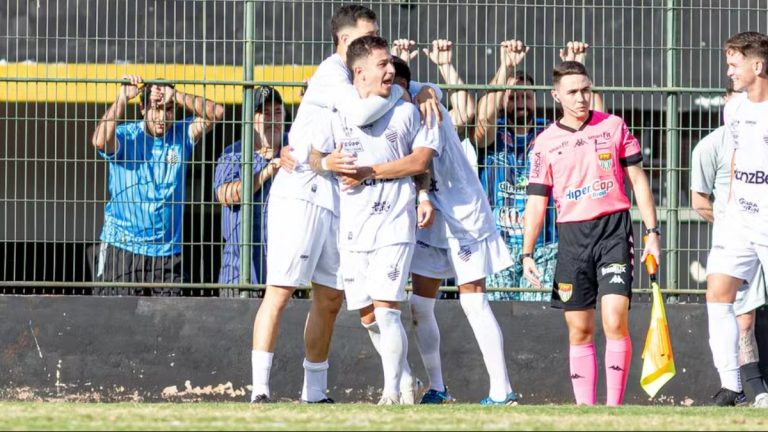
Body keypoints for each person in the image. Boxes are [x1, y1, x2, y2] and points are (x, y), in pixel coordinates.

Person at [249, 4, 441, 404]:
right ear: (345, 41)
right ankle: (260, 390)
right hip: (302, 192)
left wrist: (426, 88)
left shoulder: (372, 78)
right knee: (280, 290)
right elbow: (360, 109)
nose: (375, 45)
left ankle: (316, 392)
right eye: (366, 37)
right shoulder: (332, 75)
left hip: (343, 198)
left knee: (332, 299)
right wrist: (408, 91)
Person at [521, 61, 660, 406]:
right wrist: (527, 252)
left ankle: (613, 409)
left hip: (613, 230)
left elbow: (638, 180)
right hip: (571, 238)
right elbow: (536, 201)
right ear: (556, 96)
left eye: (585, 89)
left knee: (614, 318)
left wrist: (652, 232)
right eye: (572, 92)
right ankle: (586, 410)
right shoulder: (544, 143)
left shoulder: (613, 126)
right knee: (580, 329)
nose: (581, 98)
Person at [311, 35, 438, 405]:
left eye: (391, 64)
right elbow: (314, 157)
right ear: (359, 71)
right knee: (367, 314)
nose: (390, 70)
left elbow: (420, 162)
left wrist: (419, 193)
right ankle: (406, 379)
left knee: (387, 310)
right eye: (382, 64)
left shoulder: (407, 110)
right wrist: (327, 162)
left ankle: (390, 393)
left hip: (394, 221)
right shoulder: (336, 112)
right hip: (353, 225)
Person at [386, 56, 519, 405]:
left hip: (462, 214)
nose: (385, 92)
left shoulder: (424, 105)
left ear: (403, 85)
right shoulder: (396, 104)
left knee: (473, 301)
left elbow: (420, 161)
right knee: (419, 304)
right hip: (428, 216)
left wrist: (373, 172)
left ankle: (502, 390)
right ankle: (437, 388)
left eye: (391, 85)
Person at [474, 41, 599, 301]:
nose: (521, 103)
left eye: (527, 97)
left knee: (537, 315)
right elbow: (483, 117)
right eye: (513, 97)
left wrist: (579, 69)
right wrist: (505, 66)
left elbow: (593, 125)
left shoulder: (551, 132)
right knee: (497, 312)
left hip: (545, 245)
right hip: (499, 244)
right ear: (503, 101)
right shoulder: (494, 133)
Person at [91, 75, 224, 296]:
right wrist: (122, 98)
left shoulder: (181, 134)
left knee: (171, 318)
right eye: (156, 108)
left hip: (167, 253)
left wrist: (177, 95)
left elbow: (216, 113)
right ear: (143, 108)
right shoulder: (126, 135)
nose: (162, 117)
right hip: (122, 247)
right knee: (113, 316)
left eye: (168, 109)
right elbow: (100, 141)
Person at [691, 84, 768, 408]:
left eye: (735, 64)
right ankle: (738, 387)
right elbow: (699, 200)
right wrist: (727, 220)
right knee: (734, 311)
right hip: (736, 232)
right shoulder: (710, 145)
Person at [214, 86, 284, 292]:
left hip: (284, 276)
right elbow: (225, 195)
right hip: (238, 274)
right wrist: (266, 172)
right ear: (252, 120)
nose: (273, 119)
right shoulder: (235, 153)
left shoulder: (294, 147)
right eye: (265, 113)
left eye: (277, 112)